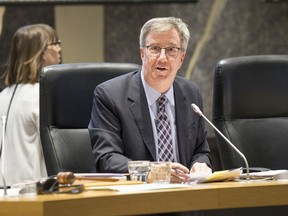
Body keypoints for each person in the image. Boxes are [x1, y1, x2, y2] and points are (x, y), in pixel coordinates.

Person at [89, 17, 211, 184]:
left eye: (171, 49)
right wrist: (159, 173)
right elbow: (107, 159)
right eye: (154, 48)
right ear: (142, 53)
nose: (162, 57)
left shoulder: (191, 93)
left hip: (185, 198)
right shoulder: (110, 96)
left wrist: (200, 164)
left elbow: (201, 150)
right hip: (135, 200)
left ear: (181, 58)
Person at [0, 24, 61, 186]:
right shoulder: (43, 95)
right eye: (55, 44)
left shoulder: (3, 95)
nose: (59, 49)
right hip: (35, 191)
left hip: (6, 190)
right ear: (40, 52)